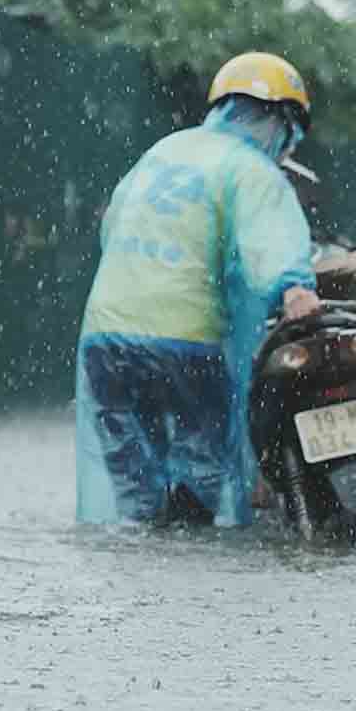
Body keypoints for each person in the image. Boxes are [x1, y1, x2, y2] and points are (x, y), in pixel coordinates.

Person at [74, 52, 320, 527]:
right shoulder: (250, 170)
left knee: (135, 484)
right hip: (185, 340)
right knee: (200, 466)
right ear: (278, 122)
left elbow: (114, 233)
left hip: (106, 338)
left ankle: (139, 562)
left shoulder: (163, 152)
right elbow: (270, 243)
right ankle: (188, 562)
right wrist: (296, 291)